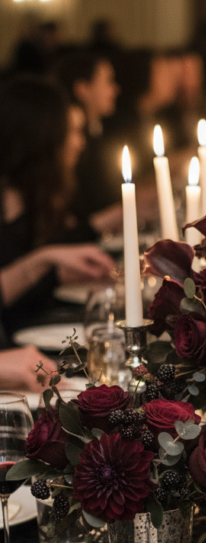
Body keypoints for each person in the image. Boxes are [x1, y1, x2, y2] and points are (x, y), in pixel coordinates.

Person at [0, 76, 114, 337]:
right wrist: (45, 260)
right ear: (41, 139)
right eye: (70, 131)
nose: (79, 142)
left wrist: (58, 272)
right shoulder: (7, 200)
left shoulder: (37, 194)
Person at [52, 49, 123, 232]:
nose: (115, 89)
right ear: (82, 89)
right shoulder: (69, 150)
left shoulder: (101, 132)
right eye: (108, 81)